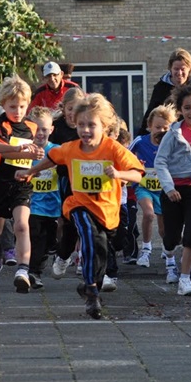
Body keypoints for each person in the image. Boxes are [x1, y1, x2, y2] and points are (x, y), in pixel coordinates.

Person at [18, 94, 144, 319]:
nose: (85, 130)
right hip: (79, 204)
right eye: (81, 125)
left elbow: (137, 175)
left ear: (104, 126)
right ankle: (93, 293)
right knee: (87, 235)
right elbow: (52, 158)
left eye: (92, 125)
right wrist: (30, 171)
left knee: (102, 252)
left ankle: (90, 284)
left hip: (107, 210)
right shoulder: (71, 148)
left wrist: (118, 173)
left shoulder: (113, 149)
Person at [0, 77, 44, 293]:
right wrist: (21, 151)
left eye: (21, 106)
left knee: (21, 225)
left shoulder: (31, 126)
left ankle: (23, 270)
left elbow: (34, 152)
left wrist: (36, 153)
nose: (17, 111)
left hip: (22, 184)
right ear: (3, 104)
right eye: (12, 107)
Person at [153, 85, 191, 293]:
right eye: (187, 108)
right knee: (171, 237)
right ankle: (169, 254)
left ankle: (184, 279)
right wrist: (168, 188)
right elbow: (160, 162)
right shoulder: (173, 133)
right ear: (180, 110)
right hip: (173, 191)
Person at [130, 106, 173, 280]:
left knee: (163, 229)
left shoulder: (172, 143)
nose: (161, 131)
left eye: (165, 128)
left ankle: (166, 248)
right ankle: (146, 250)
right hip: (144, 187)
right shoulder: (140, 141)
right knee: (148, 214)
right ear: (149, 126)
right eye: (157, 127)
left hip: (163, 189)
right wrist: (135, 163)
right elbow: (125, 156)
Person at [25, 107, 61, 289]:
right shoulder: (25, 151)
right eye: (37, 129)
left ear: (51, 130)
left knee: (49, 241)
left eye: (44, 130)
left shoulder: (57, 150)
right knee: (36, 236)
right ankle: (33, 272)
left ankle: (37, 265)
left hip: (54, 204)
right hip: (32, 204)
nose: (40, 133)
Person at [143, 48, 191, 124]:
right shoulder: (160, 88)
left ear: (190, 69)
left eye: (183, 69)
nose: (179, 73)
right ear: (170, 69)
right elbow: (150, 115)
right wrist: (141, 134)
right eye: (176, 69)